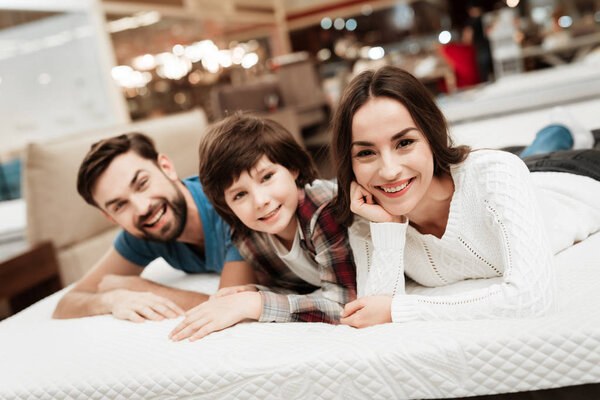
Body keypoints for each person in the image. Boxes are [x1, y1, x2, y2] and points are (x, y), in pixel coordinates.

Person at [330, 66, 600, 328]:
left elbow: (533, 298)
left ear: (431, 134)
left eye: (404, 142)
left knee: (527, 155)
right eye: (366, 153)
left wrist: (399, 310)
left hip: (571, 174)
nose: (389, 171)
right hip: (490, 170)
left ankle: (562, 128)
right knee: (522, 156)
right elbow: (373, 316)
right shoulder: (367, 221)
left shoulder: (496, 174)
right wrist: (387, 227)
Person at [169, 114, 357, 341]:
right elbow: (306, 289)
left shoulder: (322, 209)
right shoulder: (247, 237)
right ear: (227, 206)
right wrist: (254, 291)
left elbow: (345, 304)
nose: (260, 201)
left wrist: (255, 303)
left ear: (292, 168)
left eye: (266, 177)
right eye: (239, 194)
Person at [53, 133, 255, 322]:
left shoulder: (231, 207)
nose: (142, 208)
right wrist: (112, 299)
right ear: (111, 218)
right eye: (120, 205)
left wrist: (140, 288)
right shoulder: (143, 231)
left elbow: (229, 308)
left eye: (142, 183)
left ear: (166, 167)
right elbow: (68, 302)